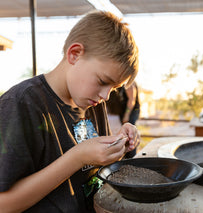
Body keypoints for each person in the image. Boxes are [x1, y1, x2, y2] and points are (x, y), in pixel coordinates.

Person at [0, 10, 139, 212]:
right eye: (102, 81)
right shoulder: (22, 105)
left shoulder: (93, 104)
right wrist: (77, 157)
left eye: (114, 88)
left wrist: (117, 145)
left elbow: (92, 167)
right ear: (74, 54)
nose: (106, 96)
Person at [107, 81, 140, 158]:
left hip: (131, 112)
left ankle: (131, 158)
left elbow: (131, 100)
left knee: (130, 135)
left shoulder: (129, 82)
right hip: (123, 112)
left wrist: (127, 115)